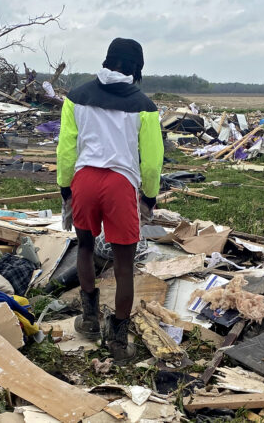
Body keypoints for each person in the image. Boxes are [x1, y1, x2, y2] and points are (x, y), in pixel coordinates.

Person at [57, 38, 163, 364]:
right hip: (120, 184)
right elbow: (151, 160)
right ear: (137, 67)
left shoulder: (75, 98)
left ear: (107, 60)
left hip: (85, 179)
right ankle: (117, 340)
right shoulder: (144, 106)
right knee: (124, 266)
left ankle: (89, 318)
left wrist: (66, 188)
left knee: (85, 248)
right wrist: (149, 196)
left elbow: (66, 148)